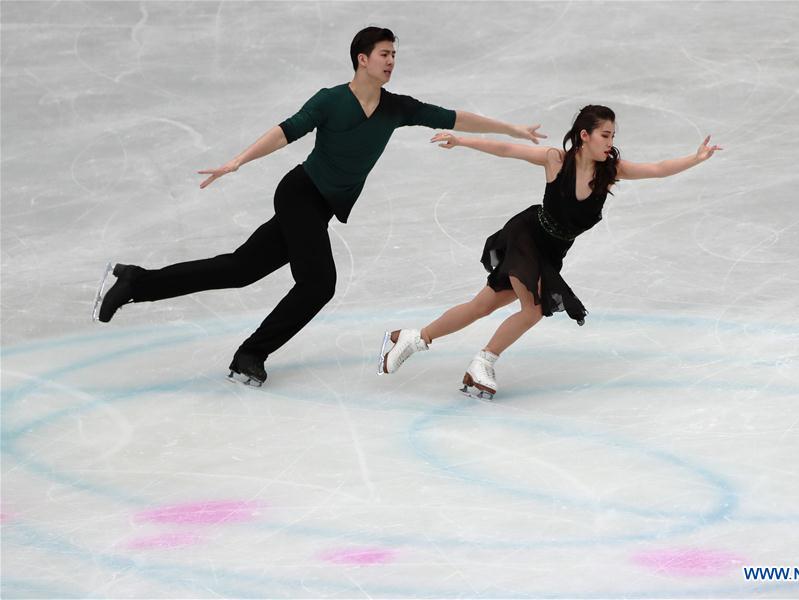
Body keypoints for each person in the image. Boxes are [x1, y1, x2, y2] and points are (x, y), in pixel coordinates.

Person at [94, 26, 546, 387]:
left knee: (239, 269)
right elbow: (286, 130)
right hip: (300, 194)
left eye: (394, 55)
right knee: (318, 284)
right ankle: (251, 353)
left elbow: (455, 117)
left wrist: (513, 129)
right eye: (384, 54)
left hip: (320, 206)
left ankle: (136, 281)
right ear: (362, 59)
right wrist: (237, 161)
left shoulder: (396, 108)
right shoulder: (331, 100)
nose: (391, 61)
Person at [378, 104, 722, 400]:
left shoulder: (610, 172)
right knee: (533, 310)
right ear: (585, 135)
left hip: (551, 253)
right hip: (527, 237)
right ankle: (483, 362)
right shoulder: (556, 160)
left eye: (613, 136)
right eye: (605, 135)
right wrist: (462, 140)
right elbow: (506, 150)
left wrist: (695, 159)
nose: (610, 143)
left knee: (481, 306)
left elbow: (658, 169)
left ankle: (413, 338)